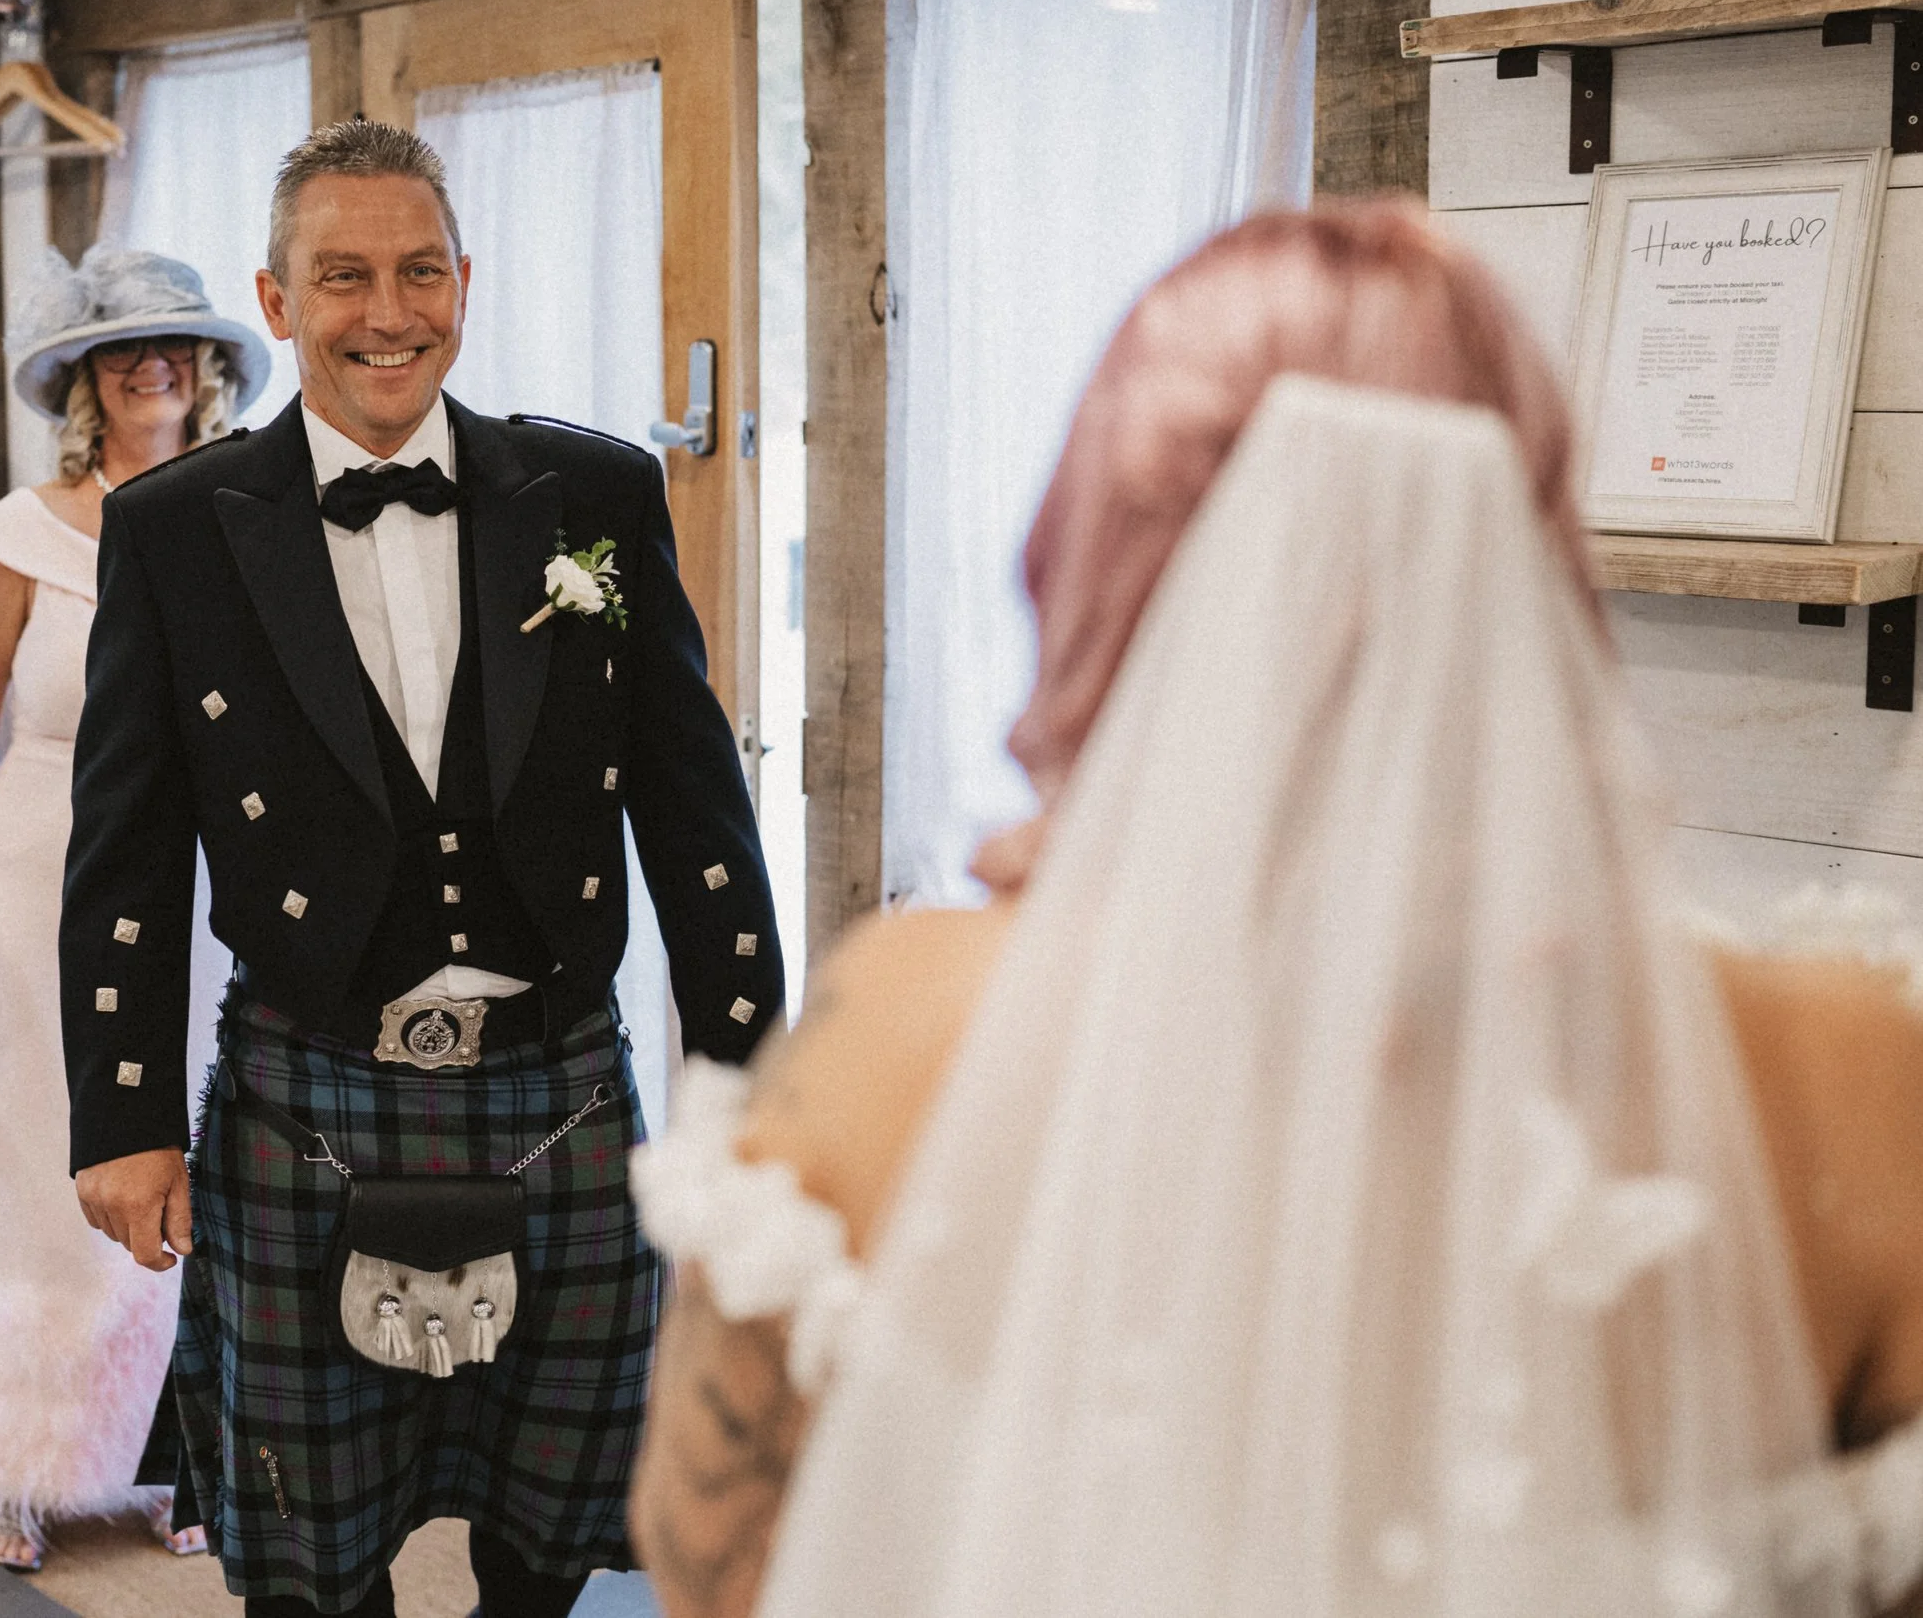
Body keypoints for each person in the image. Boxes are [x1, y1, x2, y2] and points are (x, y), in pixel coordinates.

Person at [628, 204, 1923, 1618]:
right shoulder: (1853, 1072)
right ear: (1535, 544)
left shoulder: (902, 1029)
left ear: (1098, 547)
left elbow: (715, 1570)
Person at [58, 119, 784, 1618]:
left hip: (557, 1075)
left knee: (556, 1515)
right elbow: (126, 845)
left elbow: (695, 806)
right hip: (307, 1079)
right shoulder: (175, 528)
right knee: (308, 1549)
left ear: (466, 280)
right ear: (277, 300)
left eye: (421, 272)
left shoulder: (594, 496)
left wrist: (743, 1083)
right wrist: (123, 1116)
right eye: (343, 276)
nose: (388, 313)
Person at [0, 243, 266, 1571]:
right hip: (40, 869)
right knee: (39, 1161)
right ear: (88, 381)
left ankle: (171, 1453)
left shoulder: (241, 516)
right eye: (122, 348)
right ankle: (12, 1468)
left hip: (200, 876)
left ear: (206, 367)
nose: (153, 365)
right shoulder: (22, 537)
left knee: (189, 1152)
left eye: (173, 343)